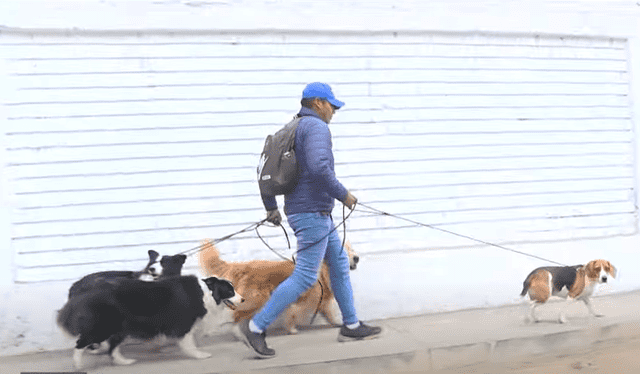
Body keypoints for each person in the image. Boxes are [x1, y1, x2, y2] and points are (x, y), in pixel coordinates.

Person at [239, 82, 382, 357]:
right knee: (305, 275)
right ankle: (256, 326)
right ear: (318, 102)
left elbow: (265, 168)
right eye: (332, 105)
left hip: (312, 212)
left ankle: (350, 325)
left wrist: (271, 207)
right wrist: (344, 195)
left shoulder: (291, 128)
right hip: (311, 213)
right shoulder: (316, 127)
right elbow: (319, 168)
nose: (334, 111)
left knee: (339, 264)